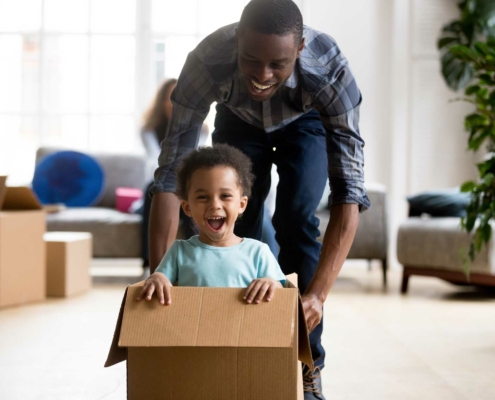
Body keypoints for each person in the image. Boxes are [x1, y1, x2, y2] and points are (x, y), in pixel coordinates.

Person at [149, 1, 370, 398]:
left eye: (277, 64)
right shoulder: (206, 62)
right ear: (237, 42)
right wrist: (158, 276)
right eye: (251, 59)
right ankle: (240, 350)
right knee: (237, 227)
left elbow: (349, 192)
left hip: (306, 123)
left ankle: (308, 363)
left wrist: (317, 296)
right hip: (238, 120)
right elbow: (170, 176)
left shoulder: (331, 73)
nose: (262, 75)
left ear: (300, 50)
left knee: (297, 217)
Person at [137, 144, 286, 304]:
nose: (215, 205)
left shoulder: (258, 252)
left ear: (242, 205)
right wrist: (157, 278)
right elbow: (160, 279)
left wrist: (272, 283)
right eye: (203, 197)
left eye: (225, 195)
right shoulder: (179, 252)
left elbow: (280, 290)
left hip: (241, 328)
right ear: (187, 207)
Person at [140, 79, 207, 268]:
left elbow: (196, 157)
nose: (174, 104)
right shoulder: (149, 130)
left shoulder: (201, 130)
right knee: (152, 190)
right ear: (161, 101)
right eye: (169, 98)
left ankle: (195, 259)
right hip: (158, 183)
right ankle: (150, 262)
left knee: (192, 197)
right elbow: (154, 160)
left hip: (188, 181)